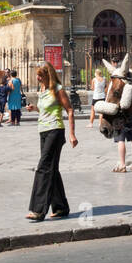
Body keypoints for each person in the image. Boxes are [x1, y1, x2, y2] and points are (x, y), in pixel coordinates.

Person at [27, 63, 77, 221]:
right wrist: (35, 108)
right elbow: (45, 109)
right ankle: (61, 207)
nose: (37, 78)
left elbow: (69, 110)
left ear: (48, 75)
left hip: (55, 131)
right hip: (43, 131)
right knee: (52, 169)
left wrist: (72, 134)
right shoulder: (42, 90)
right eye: (37, 75)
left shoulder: (58, 89)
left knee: (43, 167)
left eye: (40, 75)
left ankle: (38, 210)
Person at [111, 86, 132, 173]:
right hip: (131, 114)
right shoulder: (131, 88)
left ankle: (122, 165)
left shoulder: (118, 87)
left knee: (121, 140)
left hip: (119, 116)